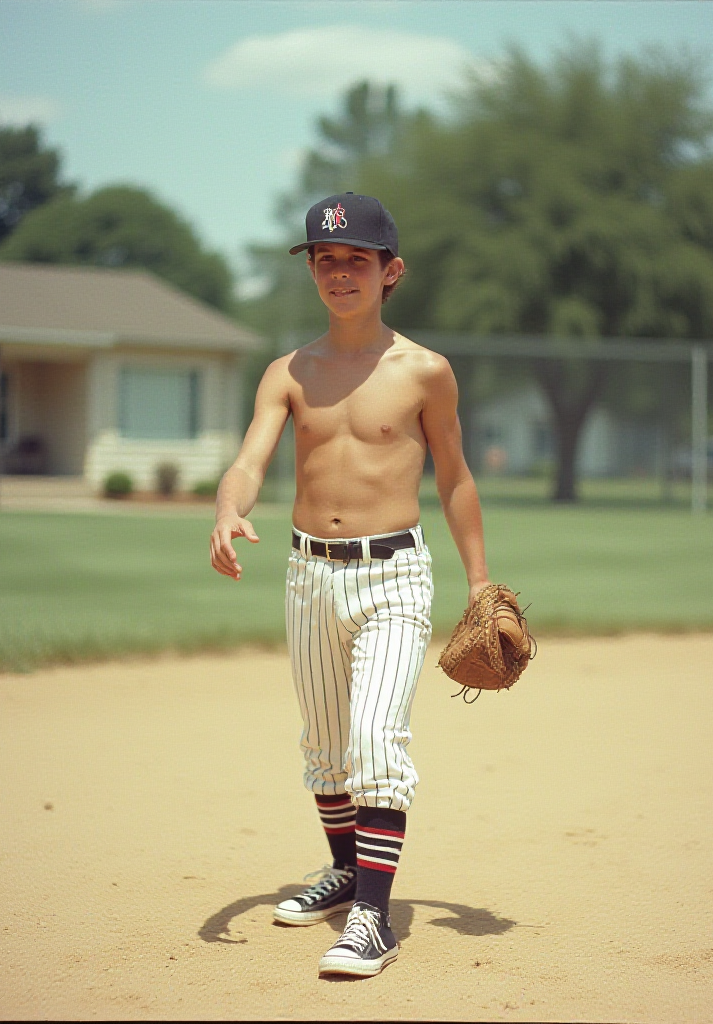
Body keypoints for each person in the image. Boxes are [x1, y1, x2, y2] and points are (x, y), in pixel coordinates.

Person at [210, 192, 490, 978]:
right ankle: (342, 872)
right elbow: (247, 462)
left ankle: (373, 918)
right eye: (324, 259)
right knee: (327, 749)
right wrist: (229, 508)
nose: (338, 272)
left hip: (395, 574)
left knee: (374, 740)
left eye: (355, 260)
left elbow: (457, 478)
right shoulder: (288, 371)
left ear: (389, 271)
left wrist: (479, 582)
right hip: (308, 578)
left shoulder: (424, 371)